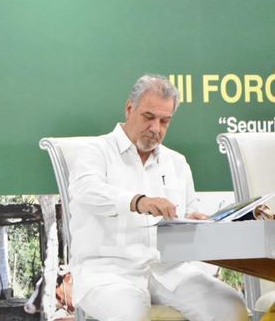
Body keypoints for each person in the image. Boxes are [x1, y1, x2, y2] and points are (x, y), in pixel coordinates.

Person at [67, 74, 247, 321]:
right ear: (130, 108)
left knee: (231, 307)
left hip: (169, 270)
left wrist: (194, 222)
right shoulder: (94, 151)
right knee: (131, 315)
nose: (155, 129)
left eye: (165, 121)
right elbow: (86, 190)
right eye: (149, 117)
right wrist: (138, 201)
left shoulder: (177, 163)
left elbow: (187, 214)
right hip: (108, 272)